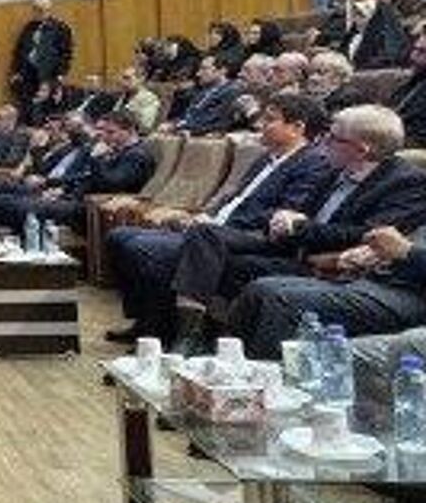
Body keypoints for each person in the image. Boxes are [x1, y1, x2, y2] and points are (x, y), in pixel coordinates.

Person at [160, 105, 426, 351]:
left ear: (361, 149)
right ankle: (190, 337)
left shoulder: (406, 183)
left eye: (333, 138)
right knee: (204, 241)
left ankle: (228, 355)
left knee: (251, 282)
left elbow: (365, 235)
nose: (323, 142)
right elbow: (296, 212)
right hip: (294, 246)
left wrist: (297, 227)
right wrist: (282, 217)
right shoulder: (334, 169)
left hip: (329, 262)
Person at [104, 93, 334, 343]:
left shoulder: (313, 163)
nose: (260, 124)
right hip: (218, 230)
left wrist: (213, 224)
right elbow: (235, 198)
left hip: (255, 237)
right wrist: (205, 215)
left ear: (297, 127)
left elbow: (286, 212)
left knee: (144, 248)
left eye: (270, 119)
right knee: (119, 236)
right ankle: (146, 324)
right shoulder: (265, 158)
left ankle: (182, 334)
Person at [229, 225, 426, 356]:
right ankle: (234, 374)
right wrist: (376, 254)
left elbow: (406, 251)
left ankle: (269, 386)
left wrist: (407, 252)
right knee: (260, 288)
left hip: (412, 296)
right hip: (382, 278)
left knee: (281, 300)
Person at [0, 111, 154, 237]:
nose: (105, 137)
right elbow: (87, 176)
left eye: (111, 132)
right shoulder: (119, 150)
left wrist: (96, 159)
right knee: (5, 199)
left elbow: (111, 184)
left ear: (130, 130)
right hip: (74, 198)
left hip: (90, 208)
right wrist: (59, 188)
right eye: (105, 132)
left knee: (11, 204)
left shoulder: (137, 155)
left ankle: (18, 251)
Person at [9, 0, 73, 112]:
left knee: (47, 105)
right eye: (36, 9)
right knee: (27, 105)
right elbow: (19, 50)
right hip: (28, 72)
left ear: (49, 10)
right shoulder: (29, 27)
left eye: (43, 10)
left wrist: (60, 74)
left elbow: (66, 53)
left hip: (48, 73)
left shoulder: (60, 27)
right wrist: (16, 71)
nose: (39, 12)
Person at [115, 64, 162, 135]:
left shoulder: (149, 98)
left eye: (127, 78)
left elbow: (145, 125)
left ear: (141, 79)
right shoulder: (124, 96)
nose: (122, 82)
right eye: (122, 79)